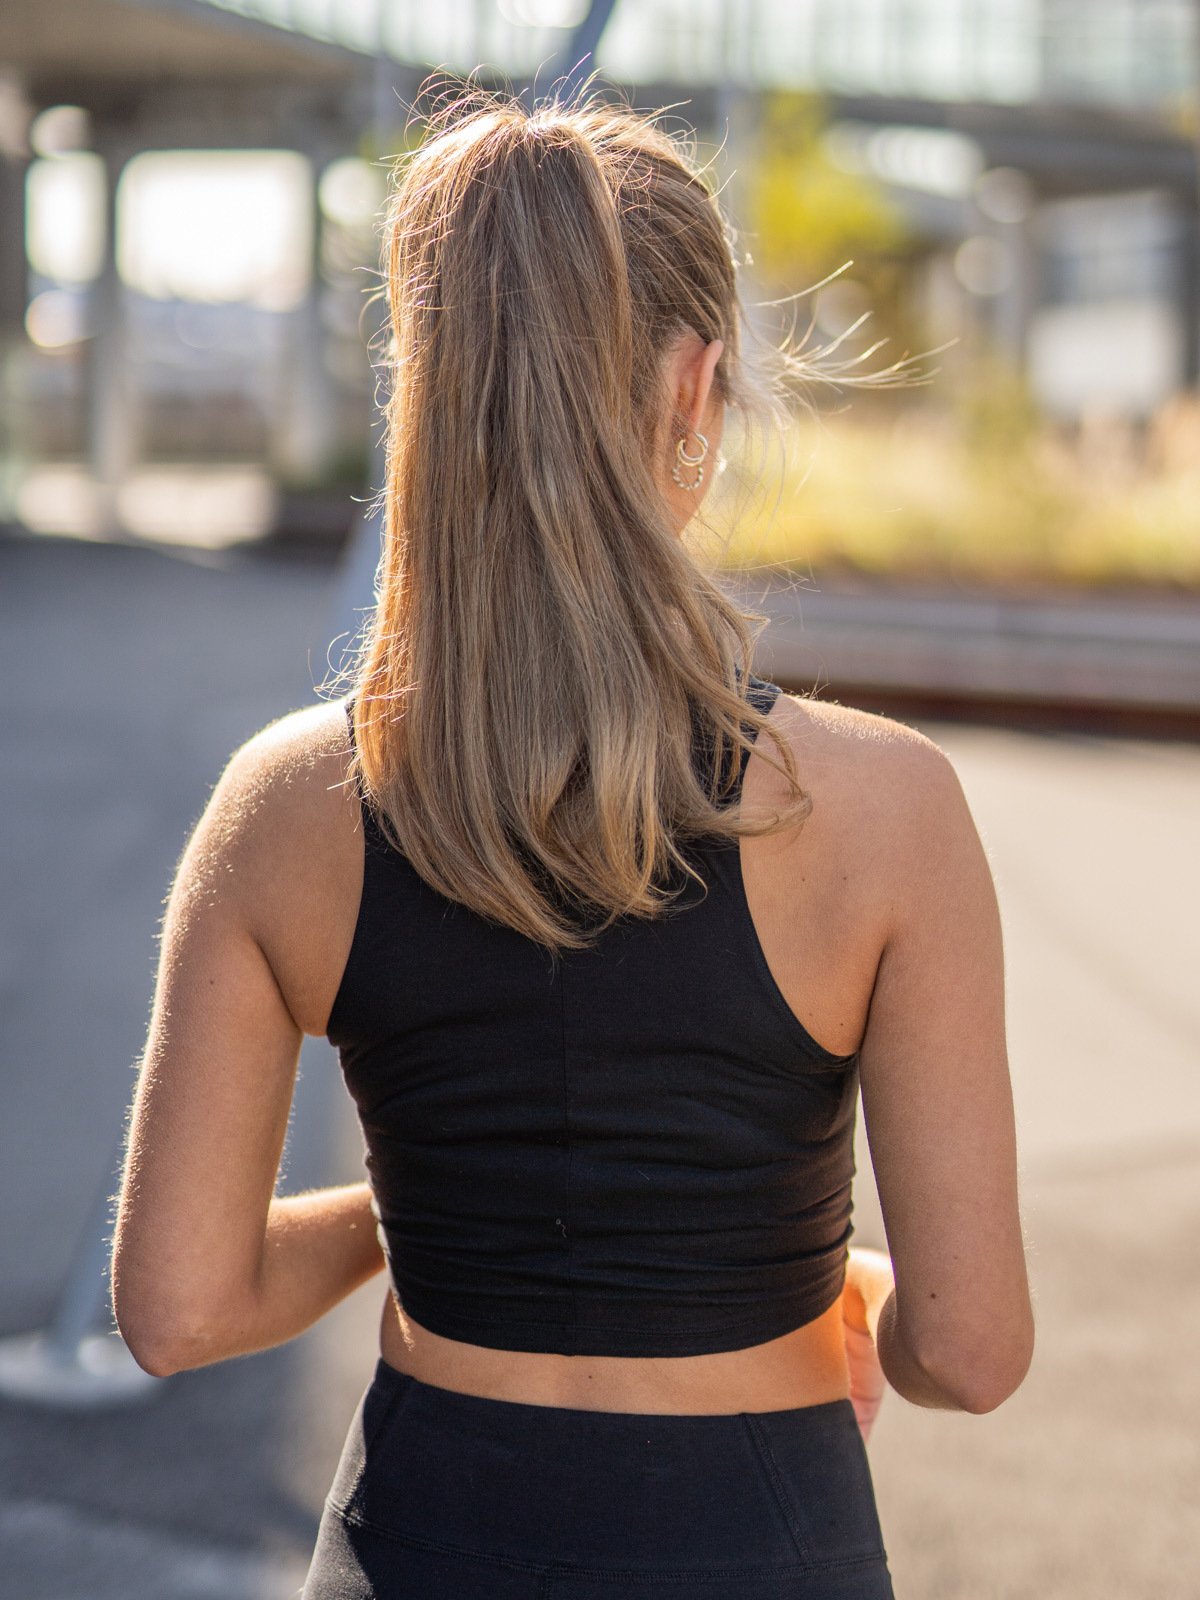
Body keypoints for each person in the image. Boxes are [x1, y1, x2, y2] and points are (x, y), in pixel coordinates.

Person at [111, 89, 1034, 1600]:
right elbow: (974, 1352)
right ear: (697, 385)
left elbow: (179, 1309)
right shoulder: (884, 809)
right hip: (760, 1544)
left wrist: (397, 1219)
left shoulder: (286, 809)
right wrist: (842, 1299)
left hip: (417, 1539)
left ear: (429, 393)